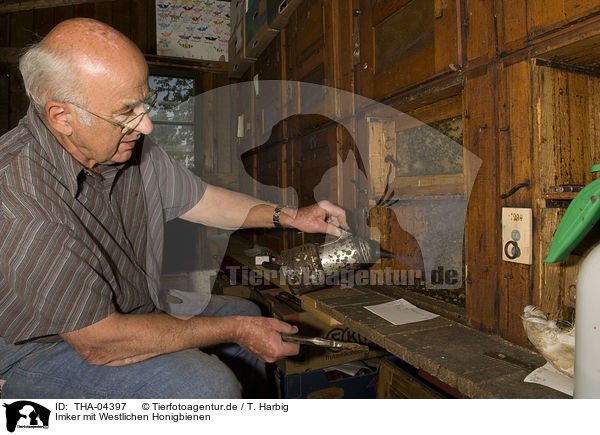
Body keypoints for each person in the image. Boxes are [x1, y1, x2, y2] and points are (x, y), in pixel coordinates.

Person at [0, 18, 348, 399]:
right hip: (40, 347)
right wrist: (233, 331)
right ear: (62, 117)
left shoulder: (127, 149)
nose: (146, 125)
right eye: (125, 112)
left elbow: (204, 201)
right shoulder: (18, 203)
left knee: (247, 315)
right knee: (207, 385)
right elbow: (100, 343)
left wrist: (291, 216)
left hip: (131, 311)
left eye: (145, 102)